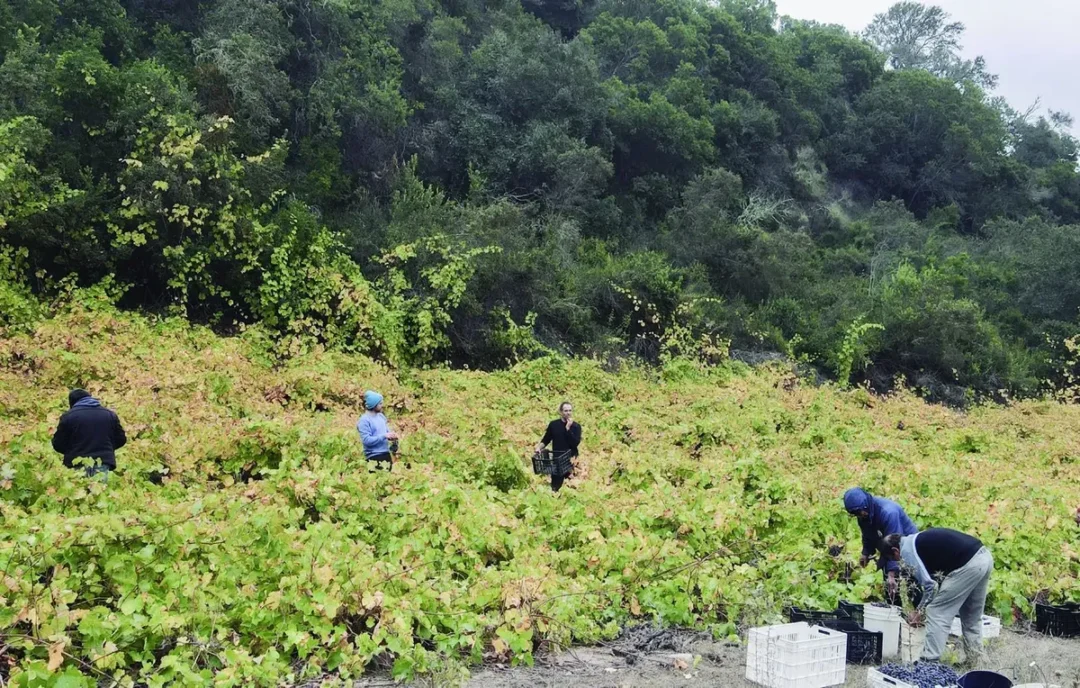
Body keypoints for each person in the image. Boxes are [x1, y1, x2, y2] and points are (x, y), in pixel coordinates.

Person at [881, 529, 993, 664]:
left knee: (936, 611)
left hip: (969, 565)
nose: (898, 562)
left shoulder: (907, 551)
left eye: (893, 559)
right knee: (971, 616)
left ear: (895, 550)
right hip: (984, 557)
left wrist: (919, 611)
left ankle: (929, 661)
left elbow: (930, 586)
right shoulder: (916, 540)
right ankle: (977, 660)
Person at [843, 487, 919, 605]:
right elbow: (867, 534)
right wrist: (866, 553)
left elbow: (895, 545)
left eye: (859, 512)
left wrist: (892, 573)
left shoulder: (888, 513)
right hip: (888, 549)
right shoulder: (863, 515)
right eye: (855, 514)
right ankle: (894, 612)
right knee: (890, 589)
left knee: (912, 584)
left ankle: (920, 614)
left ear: (866, 505)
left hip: (907, 548)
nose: (859, 515)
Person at [51, 389, 126, 481]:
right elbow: (121, 439)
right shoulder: (109, 415)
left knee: (79, 493)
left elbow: (58, 443)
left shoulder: (68, 417)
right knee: (98, 492)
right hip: (102, 462)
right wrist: (106, 448)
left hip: (76, 463)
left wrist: (71, 451)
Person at [535, 401, 581, 492]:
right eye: (565, 411)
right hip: (557, 458)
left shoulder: (576, 426)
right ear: (561, 412)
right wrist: (539, 448)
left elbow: (575, 443)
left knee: (572, 485)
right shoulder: (554, 425)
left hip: (570, 458)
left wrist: (568, 429)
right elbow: (546, 439)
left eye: (570, 410)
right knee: (556, 484)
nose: (568, 413)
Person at [357, 390, 399, 471]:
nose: (382, 406)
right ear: (373, 405)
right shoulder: (364, 420)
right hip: (373, 457)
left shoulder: (381, 417)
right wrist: (384, 436)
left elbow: (387, 432)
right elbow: (366, 440)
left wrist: (392, 437)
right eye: (380, 404)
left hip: (386, 454)